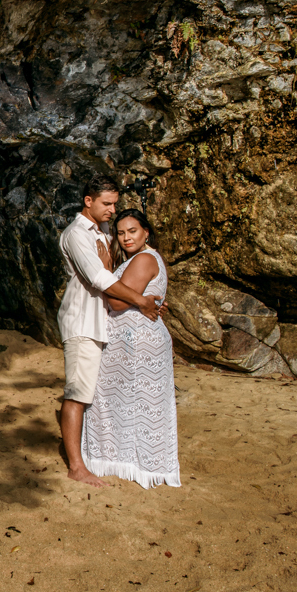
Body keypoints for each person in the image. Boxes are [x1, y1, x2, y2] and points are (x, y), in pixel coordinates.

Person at [57, 175, 160, 488]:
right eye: (107, 204)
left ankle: (98, 455)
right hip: (83, 322)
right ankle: (76, 467)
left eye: (115, 204)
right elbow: (99, 278)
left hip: (104, 323)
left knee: (94, 394)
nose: (112, 210)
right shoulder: (77, 233)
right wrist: (141, 301)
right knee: (78, 394)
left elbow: (121, 277)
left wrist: (149, 299)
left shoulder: (102, 231)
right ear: (88, 201)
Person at [81, 209, 180, 488]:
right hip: (131, 341)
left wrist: (104, 271)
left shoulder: (144, 258)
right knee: (129, 404)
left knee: (137, 405)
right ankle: (129, 462)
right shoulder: (140, 259)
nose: (126, 238)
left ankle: (139, 464)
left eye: (133, 231)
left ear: (146, 232)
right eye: (121, 233)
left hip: (137, 343)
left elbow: (117, 302)